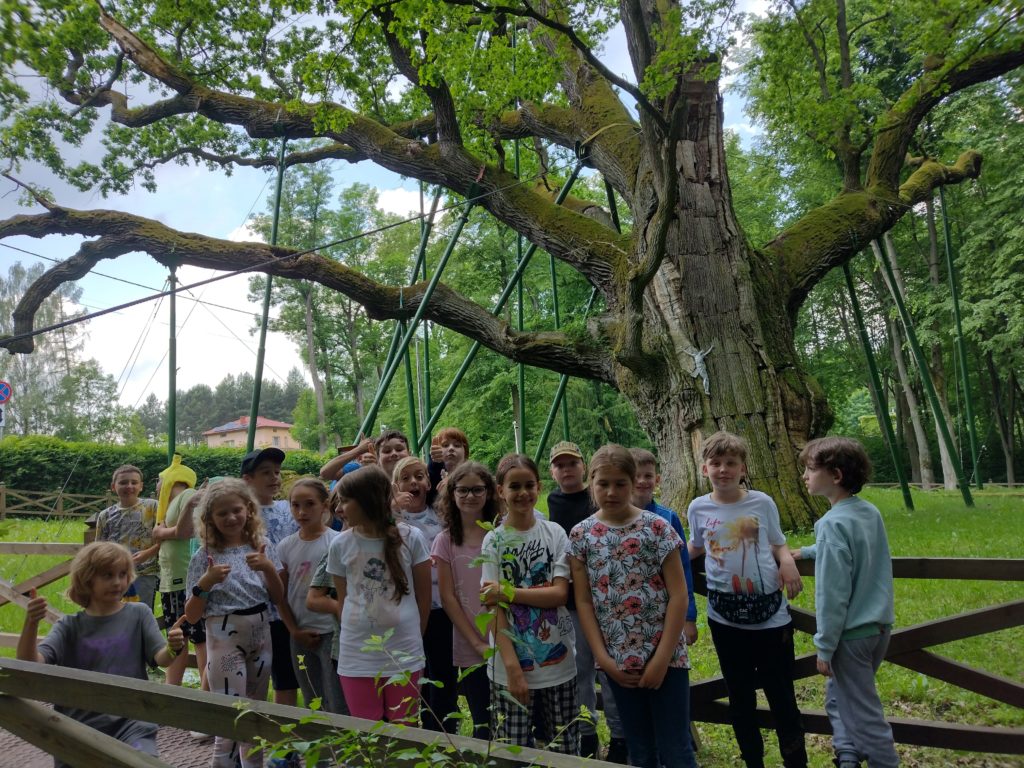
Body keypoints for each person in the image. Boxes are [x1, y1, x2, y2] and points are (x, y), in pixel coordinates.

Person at [568, 445, 697, 768]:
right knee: (639, 750)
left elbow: (679, 595)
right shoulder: (582, 535)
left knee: (676, 750)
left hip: (666, 657)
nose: (611, 492)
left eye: (620, 483)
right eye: (603, 484)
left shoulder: (657, 528)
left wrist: (662, 659)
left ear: (633, 482)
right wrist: (603, 659)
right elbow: (583, 600)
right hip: (618, 660)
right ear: (591, 483)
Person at [687, 431, 807, 768]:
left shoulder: (761, 502)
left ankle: (796, 762)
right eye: (716, 463)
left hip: (770, 618)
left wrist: (786, 560)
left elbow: (778, 541)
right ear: (704, 468)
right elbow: (695, 545)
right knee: (740, 697)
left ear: (743, 468)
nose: (723, 469)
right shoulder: (698, 507)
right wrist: (667, 561)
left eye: (731, 463)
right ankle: (753, 760)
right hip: (724, 620)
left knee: (782, 696)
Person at [17, 542, 186, 768]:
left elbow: (160, 657)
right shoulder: (69, 627)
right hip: (77, 729)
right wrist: (31, 623)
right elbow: (30, 663)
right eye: (108, 575)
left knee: (142, 762)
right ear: (87, 579)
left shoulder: (139, 614)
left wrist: (173, 647)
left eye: (123, 574)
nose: (117, 582)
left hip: (132, 724)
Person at [795, 437, 899, 768]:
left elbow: (832, 595)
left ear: (836, 475)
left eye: (810, 470)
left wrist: (824, 647)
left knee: (865, 716)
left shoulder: (831, 524)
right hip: (879, 628)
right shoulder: (868, 512)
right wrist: (809, 551)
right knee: (839, 697)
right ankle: (848, 756)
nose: (805, 476)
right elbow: (854, 548)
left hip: (851, 635)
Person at [184, 478, 287, 768]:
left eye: (236, 510)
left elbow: (278, 597)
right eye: (222, 513)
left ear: (249, 510)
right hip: (224, 637)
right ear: (209, 519)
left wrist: (268, 568)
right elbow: (191, 615)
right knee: (231, 717)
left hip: (261, 634)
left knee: (254, 715)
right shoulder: (204, 557)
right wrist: (205, 583)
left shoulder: (262, 547)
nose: (231, 518)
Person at [480, 453, 578, 755]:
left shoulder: (555, 533)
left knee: (564, 745)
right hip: (508, 666)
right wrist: (513, 669)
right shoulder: (494, 541)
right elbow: (493, 606)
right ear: (501, 491)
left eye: (529, 485)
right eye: (514, 486)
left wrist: (507, 592)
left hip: (559, 664)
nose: (523, 493)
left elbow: (559, 594)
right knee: (512, 749)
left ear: (539, 487)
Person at [326, 466, 431, 725]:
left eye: (345, 500)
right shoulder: (340, 544)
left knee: (404, 730)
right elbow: (344, 601)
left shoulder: (412, 538)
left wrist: (413, 639)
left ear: (367, 501)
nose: (339, 508)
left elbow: (424, 598)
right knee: (367, 733)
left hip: (404, 652)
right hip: (356, 654)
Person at [545, 440, 624, 761]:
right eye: (560, 465)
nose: (567, 470)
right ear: (552, 471)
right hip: (571, 601)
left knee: (610, 670)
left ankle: (620, 736)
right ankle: (587, 733)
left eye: (572, 464)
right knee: (579, 671)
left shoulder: (598, 497)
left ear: (584, 468)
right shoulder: (552, 501)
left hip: (605, 600)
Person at [431, 460, 500, 739]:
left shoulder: (500, 534)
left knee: (512, 719)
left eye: (477, 489)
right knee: (483, 720)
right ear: (452, 494)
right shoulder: (445, 540)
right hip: (470, 642)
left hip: (507, 638)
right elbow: (447, 597)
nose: (470, 496)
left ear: (489, 492)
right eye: (462, 490)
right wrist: (476, 643)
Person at [391, 455, 458, 731]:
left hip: (441, 609)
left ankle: (441, 732)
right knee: (413, 674)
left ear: (428, 483)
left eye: (419, 476)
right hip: (406, 611)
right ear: (395, 486)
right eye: (405, 478)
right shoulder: (390, 522)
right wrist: (392, 509)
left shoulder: (441, 517)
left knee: (442, 675)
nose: (413, 482)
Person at [277, 478, 345, 715]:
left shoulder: (336, 541)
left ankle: (341, 740)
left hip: (332, 633)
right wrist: (294, 630)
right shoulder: (285, 546)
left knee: (337, 701)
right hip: (300, 633)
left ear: (325, 505)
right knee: (312, 701)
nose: (302, 512)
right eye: (295, 505)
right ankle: (319, 741)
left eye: (309, 504)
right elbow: (280, 595)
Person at [241, 447, 301, 709]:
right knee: (253, 677)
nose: (274, 477)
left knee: (286, 678)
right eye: (266, 472)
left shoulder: (289, 508)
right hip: (258, 609)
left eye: (277, 472)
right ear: (247, 480)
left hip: (290, 604)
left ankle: (284, 732)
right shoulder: (240, 515)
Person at [629, 447, 699, 644]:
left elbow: (684, 568)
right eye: (636, 476)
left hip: (667, 608)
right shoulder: (613, 519)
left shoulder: (668, 518)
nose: (642, 481)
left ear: (657, 479)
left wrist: (689, 617)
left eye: (648, 476)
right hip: (629, 609)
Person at [151, 455, 207, 688]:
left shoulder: (188, 495)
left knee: (199, 636)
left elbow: (186, 531)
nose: (157, 486)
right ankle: (172, 689)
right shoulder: (167, 506)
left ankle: (207, 693)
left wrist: (161, 533)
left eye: (159, 480)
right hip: (171, 579)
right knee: (177, 635)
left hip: (185, 578)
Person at [95, 464, 159, 610]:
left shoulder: (153, 507)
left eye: (134, 482)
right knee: (113, 615)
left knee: (140, 615)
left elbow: (165, 540)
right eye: (123, 482)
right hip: (113, 577)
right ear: (113, 486)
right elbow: (99, 549)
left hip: (144, 574)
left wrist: (148, 553)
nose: (129, 486)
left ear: (141, 486)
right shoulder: (105, 515)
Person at [427, 426, 470, 503]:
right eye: (445, 445)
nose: (451, 448)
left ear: (465, 453)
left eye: (457, 445)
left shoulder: (475, 476)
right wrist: (434, 462)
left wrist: (453, 482)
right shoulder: (430, 476)